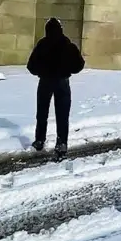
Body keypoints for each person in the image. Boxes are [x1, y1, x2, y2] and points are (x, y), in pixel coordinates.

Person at [26, 17, 85, 158]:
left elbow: (31, 66)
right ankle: (62, 143)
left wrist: (42, 71)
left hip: (45, 81)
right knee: (62, 115)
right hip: (62, 82)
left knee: (42, 113)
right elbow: (79, 64)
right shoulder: (68, 45)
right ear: (61, 29)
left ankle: (39, 140)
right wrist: (67, 70)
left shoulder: (42, 44)